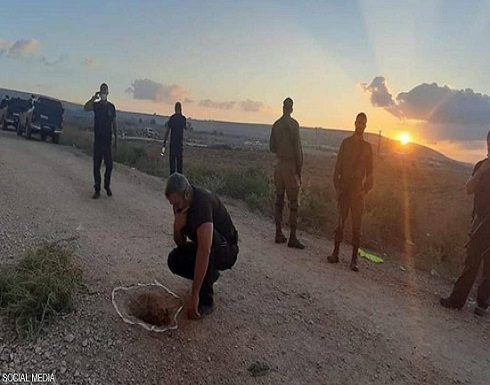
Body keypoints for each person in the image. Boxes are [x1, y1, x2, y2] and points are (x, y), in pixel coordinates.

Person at [165, 173, 239, 319]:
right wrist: (177, 226)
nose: (175, 207)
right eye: (172, 204)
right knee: (175, 259)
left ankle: (207, 300)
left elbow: (204, 251)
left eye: (177, 203)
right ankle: (210, 276)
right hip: (208, 246)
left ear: (187, 194)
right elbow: (181, 243)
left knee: (207, 247)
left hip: (227, 251)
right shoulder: (181, 205)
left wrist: (194, 296)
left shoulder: (202, 204)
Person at [440, 131, 490, 316]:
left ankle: (482, 304)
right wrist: (483, 171)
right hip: (479, 222)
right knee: (471, 262)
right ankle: (457, 300)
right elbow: (468, 189)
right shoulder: (480, 166)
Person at [327, 112, 373, 272]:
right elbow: (337, 168)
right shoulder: (345, 144)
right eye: (359, 122)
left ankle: (354, 261)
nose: (360, 125)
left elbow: (371, 174)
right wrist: (338, 188)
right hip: (345, 190)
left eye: (363, 123)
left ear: (365, 126)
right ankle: (335, 253)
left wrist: (364, 190)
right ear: (355, 123)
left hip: (357, 193)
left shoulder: (368, 148)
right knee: (340, 224)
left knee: (356, 228)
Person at [269, 97, 305, 249]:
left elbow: (271, 147)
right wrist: (299, 170)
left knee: (279, 199)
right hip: (290, 166)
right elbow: (297, 149)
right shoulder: (294, 125)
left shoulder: (276, 125)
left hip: (279, 166)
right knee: (293, 203)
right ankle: (292, 237)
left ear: (283, 107)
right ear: (291, 108)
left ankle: (278, 233)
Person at [84, 83, 118, 199]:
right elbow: (86, 108)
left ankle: (106, 185)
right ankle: (97, 189)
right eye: (102, 91)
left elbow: (114, 123)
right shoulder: (96, 105)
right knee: (96, 166)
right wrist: (94, 97)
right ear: (100, 92)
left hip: (107, 141)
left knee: (109, 165)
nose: (104, 93)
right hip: (98, 140)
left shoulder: (111, 107)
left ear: (108, 93)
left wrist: (116, 139)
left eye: (105, 91)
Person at [163, 102, 187, 174]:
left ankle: (172, 179)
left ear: (175, 108)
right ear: (181, 108)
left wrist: (164, 141)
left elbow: (167, 131)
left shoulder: (172, 118)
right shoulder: (183, 119)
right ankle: (179, 180)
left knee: (172, 164)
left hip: (173, 143)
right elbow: (185, 128)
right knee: (179, 164)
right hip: (179, 144)